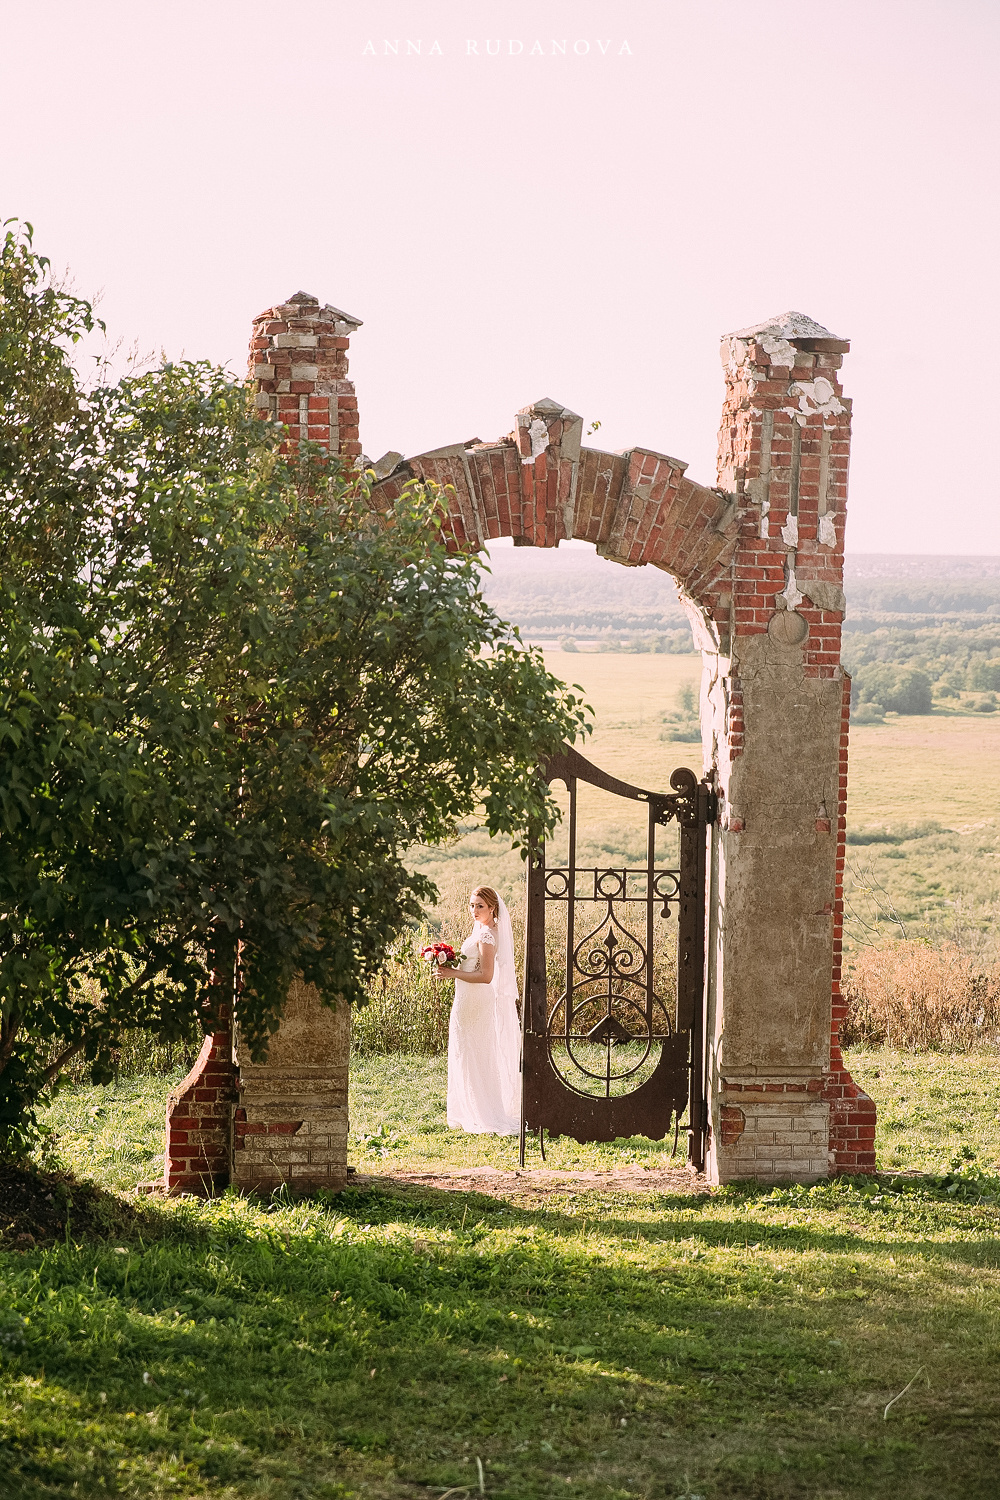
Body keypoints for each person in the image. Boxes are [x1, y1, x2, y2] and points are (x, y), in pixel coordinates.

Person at [433, 885, 521, 1135]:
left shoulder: (487, 937)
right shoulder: (482, 930)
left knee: (474, 1051)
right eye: (472, 905)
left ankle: (483, 1111)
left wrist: (451, 973)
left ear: (492, 908)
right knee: (467, 1050)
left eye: (480, 906)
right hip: (467, 997)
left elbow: (486, 976)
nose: (474, 910)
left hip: (475, 999)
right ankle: (469, 1108)